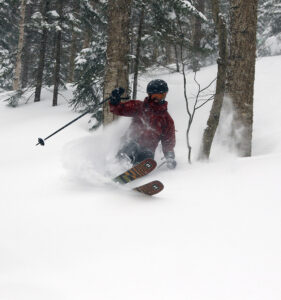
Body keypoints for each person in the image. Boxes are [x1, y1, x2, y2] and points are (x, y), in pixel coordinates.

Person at [109, 79, 176, 169]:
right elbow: (118, 109)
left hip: (148, 149)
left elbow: (168, 141)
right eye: (154, 96)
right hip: (130, 142)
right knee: (131, 148)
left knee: (146, 156)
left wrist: (170, 157)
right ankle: (119, 167)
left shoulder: (166, 120)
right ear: (149, 95)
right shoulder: (139, 107)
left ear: (164, 95)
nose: (156, 99)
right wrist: (114, 101)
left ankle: (136, 171)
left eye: (160, 96)